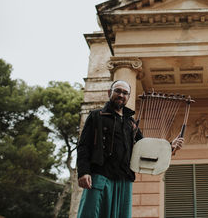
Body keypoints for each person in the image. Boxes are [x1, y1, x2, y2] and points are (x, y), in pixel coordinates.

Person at [77, 80, 184, 218]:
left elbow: (145, 148)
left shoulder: (131, 123)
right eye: (118, 91)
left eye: (125, 93)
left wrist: (170, 147)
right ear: (110, 93)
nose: (121, 95)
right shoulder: (96, 116)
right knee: (90, 214)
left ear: (128, 97)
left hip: (124, 178)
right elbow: (83, 146)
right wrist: (83, 172)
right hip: (100, 175)